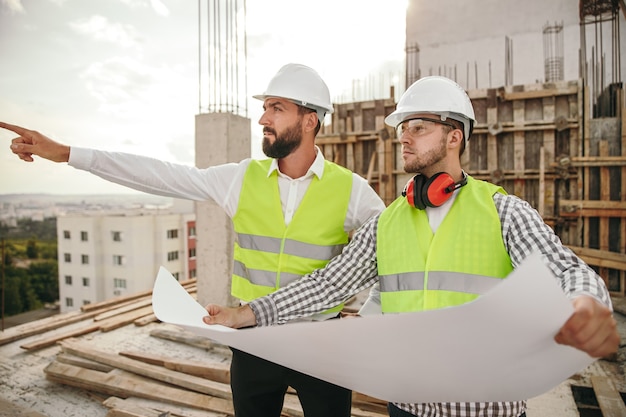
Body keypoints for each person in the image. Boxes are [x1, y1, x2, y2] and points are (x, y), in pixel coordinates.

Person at [201, 76, 621, 417]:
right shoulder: (389, 222)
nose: (404, 138)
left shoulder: (503, 212)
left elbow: (568, 270)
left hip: (484, 407)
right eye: (403, 129)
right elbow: (326, 285)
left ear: (454, 136)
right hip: (407, 406)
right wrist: (249, 313)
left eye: (418, 127)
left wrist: (587, 302)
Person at [1, 63, 386, 417]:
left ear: (310, 120)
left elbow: (391, 255)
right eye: (265, 107)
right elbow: (158, 175)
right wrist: (67, 153)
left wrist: (368, 318)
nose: (263, 118)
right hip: (253, 340)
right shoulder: (241, 178)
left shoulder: (351, 190)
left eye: (276, 108)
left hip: (322, 342)